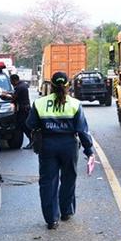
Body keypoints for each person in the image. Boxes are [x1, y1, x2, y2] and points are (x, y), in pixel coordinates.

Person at [26, 71, 94, 230]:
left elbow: (30, 124)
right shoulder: (75, 104)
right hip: (69, 146)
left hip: (47, 146)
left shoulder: (40, 103)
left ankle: (52, 219)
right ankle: (66, 211)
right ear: (67, 85)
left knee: (48, 182)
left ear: (51, 85)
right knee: (69, 179)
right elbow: (82, 130)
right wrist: (89, 150)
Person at [2, 74, 32, 148]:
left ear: (14, 80)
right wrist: (8, 93)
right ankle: (32, 141)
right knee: (24, 125)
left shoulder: (20, 87)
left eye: (11, 81)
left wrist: (4, 97)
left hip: (23, 110)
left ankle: (32, 141)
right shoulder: (22, 85)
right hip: (25, 109)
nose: (11, 83)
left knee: (23, 126)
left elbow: (14, 98)